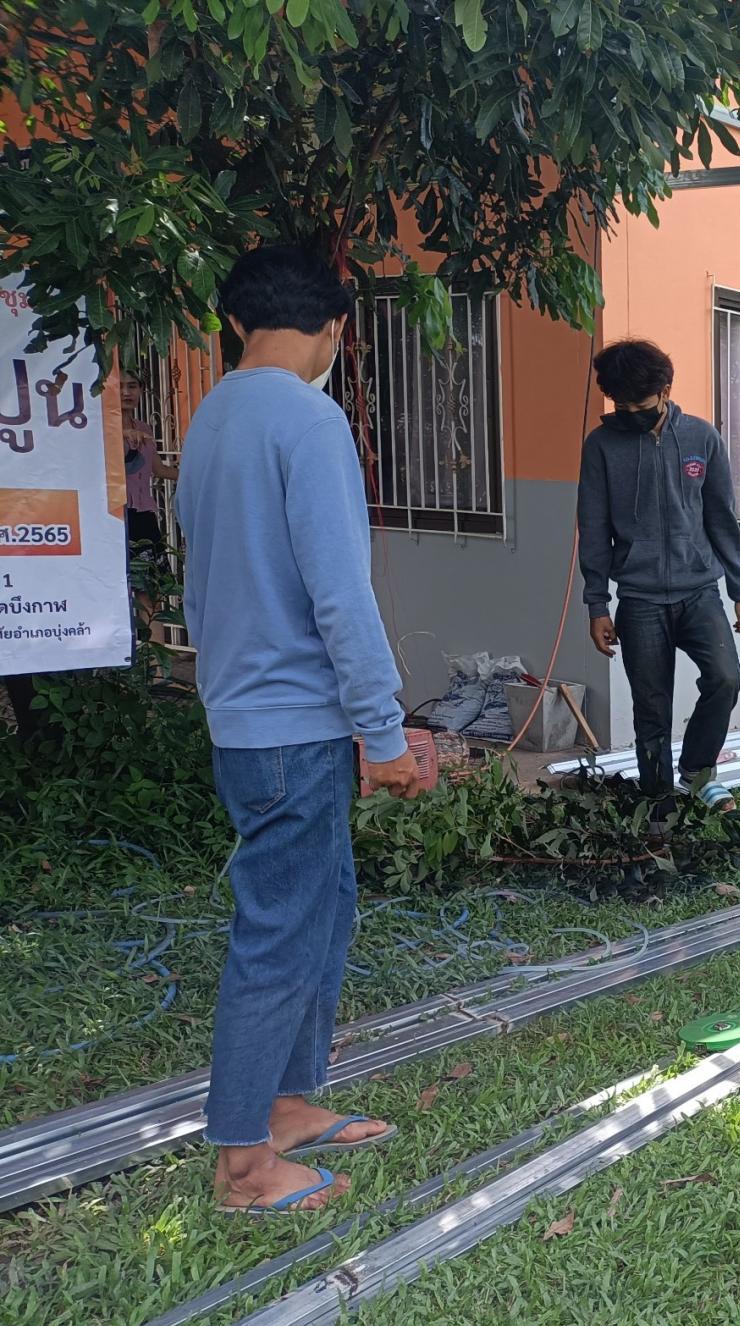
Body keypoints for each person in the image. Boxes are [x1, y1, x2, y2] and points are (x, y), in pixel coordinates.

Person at [176, 245, 422, 1215]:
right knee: (281, 933)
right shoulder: (310, 421)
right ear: (334, 330)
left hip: (245, 716)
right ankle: (244, 1163)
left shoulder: (211, 417)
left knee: (322, 910)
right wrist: (383, 731)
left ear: (236, 323)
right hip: (293, 723)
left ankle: (284, 1105)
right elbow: (340, 595)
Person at [577, 339, 740, 829]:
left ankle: (696, 769)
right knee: (651, 706)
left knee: (726, 677)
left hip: (700, 592)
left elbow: (720, 517)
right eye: (621, 405)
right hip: (639, 600)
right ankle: (656, 799)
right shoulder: (601, 446)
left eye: (641, 404)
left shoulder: (701, 437)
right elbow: (592, 527)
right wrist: (597, 604)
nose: (631, 414)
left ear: (666, 390)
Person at [121, 378, 177, 630]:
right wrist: (119, 435)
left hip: (143, 515)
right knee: (115, 590)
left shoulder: (143, 428)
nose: (126, 392)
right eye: (119, 386)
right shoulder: (96, 428)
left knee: (150, 593)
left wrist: (201, 473)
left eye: (132, 386)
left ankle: (154, 655)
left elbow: (160, 470)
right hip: (114, 516)